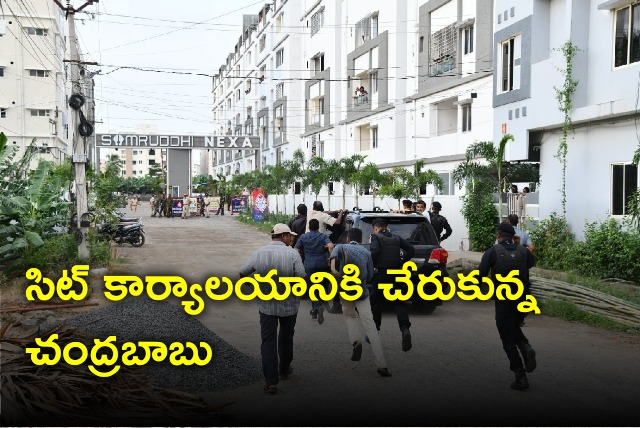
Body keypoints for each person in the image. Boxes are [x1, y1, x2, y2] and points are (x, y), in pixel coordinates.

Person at [239, 224, 306, 395]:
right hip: (289, 305)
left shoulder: (259, 253)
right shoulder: (292, 254)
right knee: (286, 337)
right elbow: (301, 277)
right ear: (283, 236)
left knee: (268, 341)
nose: (291, 239)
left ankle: (270, 382)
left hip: (266, 305)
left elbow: (243, 272)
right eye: (289, 236)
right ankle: (283, 370)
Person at [478, 222, 536, 390]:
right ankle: (525, 345)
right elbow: (529, 263)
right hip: (524, 298)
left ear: (498, 236)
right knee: (513, 326)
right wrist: (519, 246)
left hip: (504, 299)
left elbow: (480, 274)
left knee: (506, 336)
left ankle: (520, 375)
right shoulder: (524, 251)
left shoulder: (492, 252)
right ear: (513, 237)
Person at [330, 227, 391, 377]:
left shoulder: (341, 246)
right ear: (362, 240)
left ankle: (356, 341)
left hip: (345, 291)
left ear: (348, 238)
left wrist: (335, 271)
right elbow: (370, 275)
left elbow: (333, 258)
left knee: (350, 316)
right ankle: (381, 364)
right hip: (362, 292)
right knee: (370, 326)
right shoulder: (366, 252)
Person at [369, 218, 416, 352]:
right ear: (387, 226)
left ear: (375, 228)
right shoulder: (397, 237)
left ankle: (374, 331)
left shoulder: (375, 237)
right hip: (396, 274)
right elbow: (411, 250)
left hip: (382, 274)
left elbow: (375, 252)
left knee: (375, 302)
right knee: (398, 302)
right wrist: (401, 261)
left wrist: (371, 266)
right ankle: (405, 329)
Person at [295, 219, 334, 324]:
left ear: (309, 226)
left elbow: (296, 250)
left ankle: (317, 306)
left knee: (312, 287)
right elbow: (330, 246)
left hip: (309, 265)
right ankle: (314, 311)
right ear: (318, 227)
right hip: (322, 264)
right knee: (319, 286)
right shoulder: (322, 236)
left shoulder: (303, 237)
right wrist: (331, 257)